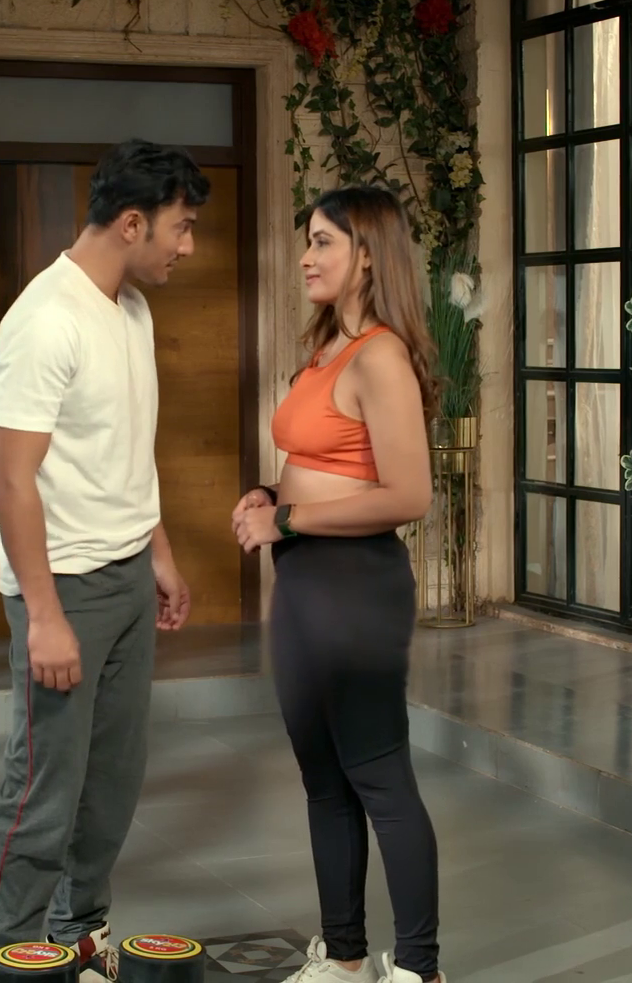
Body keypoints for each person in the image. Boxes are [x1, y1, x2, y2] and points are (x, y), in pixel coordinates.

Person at [0, 138, 206, 982]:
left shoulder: (131, 310)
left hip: (128, 575)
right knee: (44, 787)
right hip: (62, 585)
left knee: (111, 782)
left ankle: (78, 933)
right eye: (180, 227)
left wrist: (160, 554)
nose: (187, 246)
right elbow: (10, 479)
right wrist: (45, 617)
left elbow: (127, 452)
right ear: (132, 223)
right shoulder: (46, 320)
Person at [231, 186, 445, 983]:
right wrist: (269, 494)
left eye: (323, 241)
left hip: (356, 589)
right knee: (323, 781)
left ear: (369, 256)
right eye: (308, 240)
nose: (306, 258)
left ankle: (419, 969)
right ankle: (346, 959)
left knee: (380, 778)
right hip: (303, 586)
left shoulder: (380, 356)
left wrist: (287, 521)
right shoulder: (327, 347)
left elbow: (408, 496)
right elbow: (325, 465)